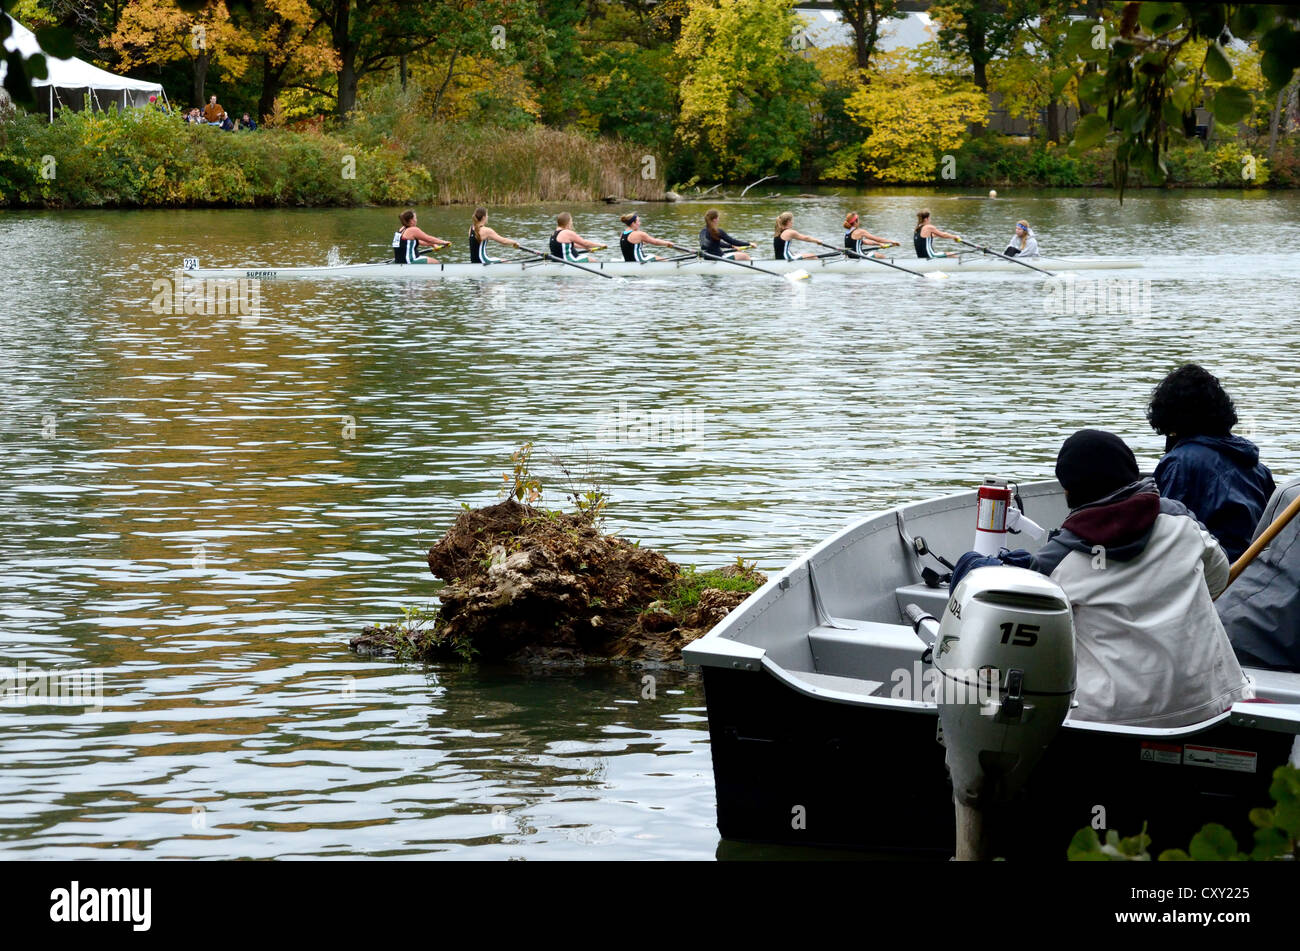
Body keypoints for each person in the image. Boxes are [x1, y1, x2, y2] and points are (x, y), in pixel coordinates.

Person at [950, 429, 1252, 728]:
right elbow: (1219, 576)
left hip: (1113, 717)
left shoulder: (1056, 563)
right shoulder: (1183, 523)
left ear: (1068, 492)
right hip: (1214, 703)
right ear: (1133, 473)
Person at [1146, 363, 1274, 562]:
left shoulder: (1179, 463)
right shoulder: (1256, 466)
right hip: (1252, 571)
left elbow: (1163, 532)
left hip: (1212, 573)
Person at [1218, 478, 1300, 672]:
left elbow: (1257, 550)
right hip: (1259, 640)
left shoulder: (1289, 490)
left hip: (1234, 621)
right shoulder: (1287, 490)